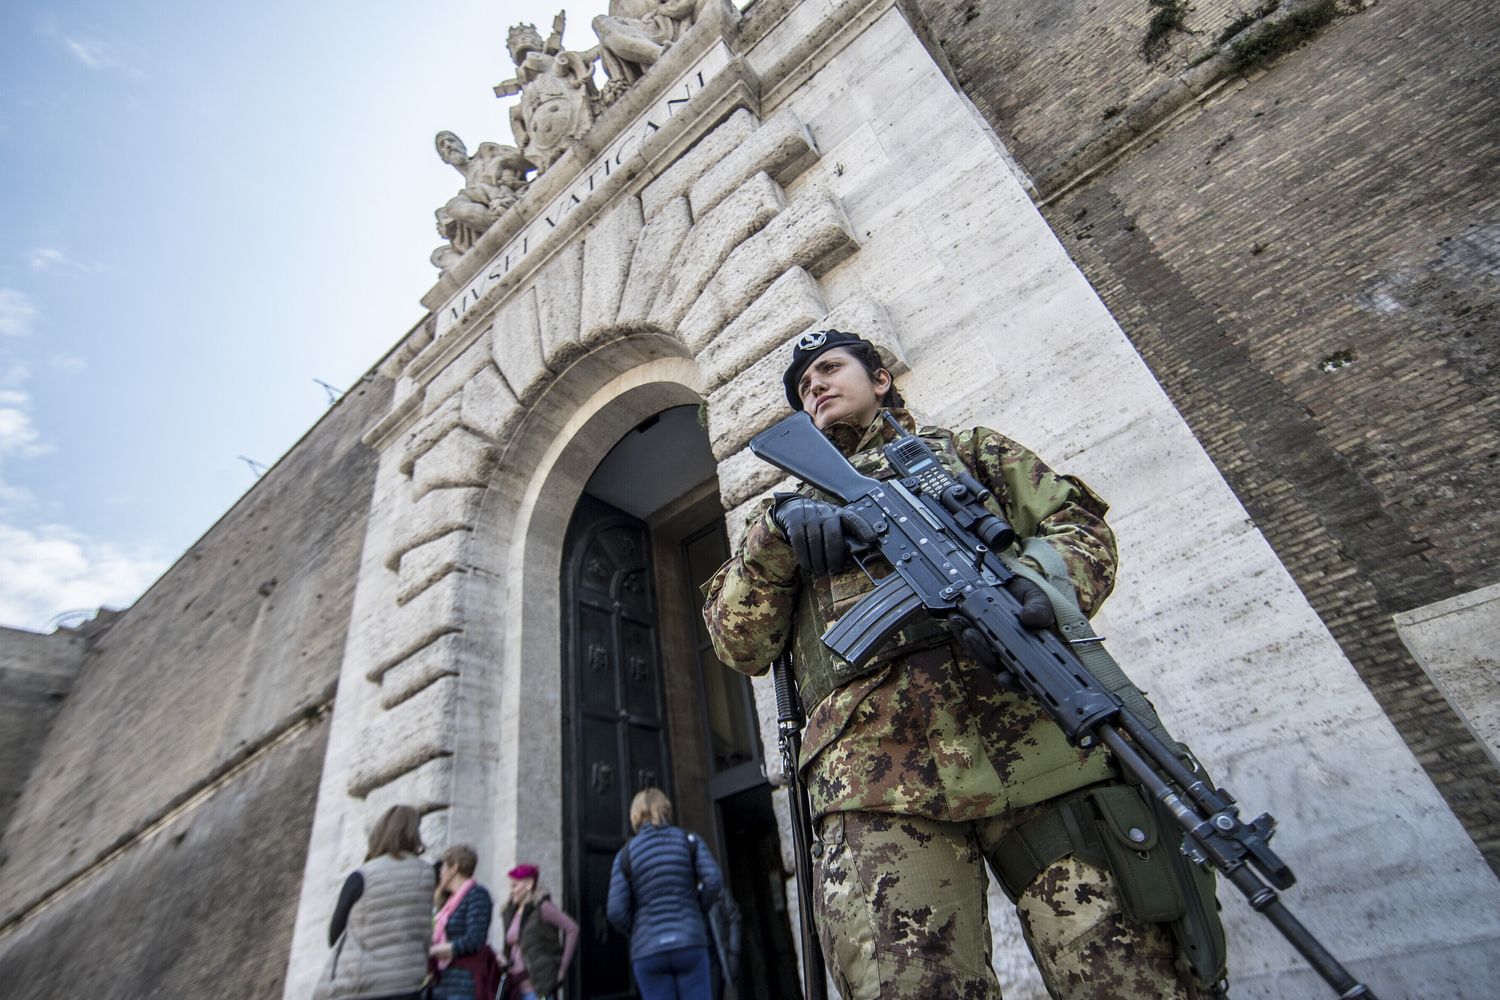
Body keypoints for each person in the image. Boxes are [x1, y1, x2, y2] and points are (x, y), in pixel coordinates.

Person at [702, 330, 1224, 999]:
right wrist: (775, 545)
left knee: (1131, 981)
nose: (817, 387)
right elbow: (740, 645)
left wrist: (1034, 584)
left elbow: (1078, 528)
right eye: (805, 387)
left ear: (881, 379)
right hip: (874, 784)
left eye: (830, 370)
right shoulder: (786, 520)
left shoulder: (971, 455)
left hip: (1043, 747)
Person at [607, 788, 724, 1000]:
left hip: (648, 951)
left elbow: (615, 911)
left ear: (635, 815)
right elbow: (714, 881)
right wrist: (697, 908)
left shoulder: (625, 856)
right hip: (689, 941)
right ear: (665, 809)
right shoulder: (689, 841)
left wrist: (638, 929)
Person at [316, 804, 435, 1000]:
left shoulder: (363, 875)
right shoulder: (428, 874)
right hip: (407, 984)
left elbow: (334, 934)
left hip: (363, 986)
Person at [499, 862, 580, 1000]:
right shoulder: (510, 912)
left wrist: (562, 969)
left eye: (515, 886)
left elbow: (572, 928)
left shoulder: (543, 908)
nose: (511, 891)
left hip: (538, 988)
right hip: (515, 988)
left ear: (529, 884)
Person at [429, 844, 500, 1000]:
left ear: (454, 868)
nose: (440, 872)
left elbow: (474, 940)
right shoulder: (450, 902)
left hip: (465, 983)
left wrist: (433, 951)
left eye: (444, 867)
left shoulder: (477, 895)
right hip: (444, 981)